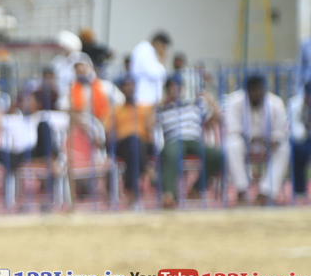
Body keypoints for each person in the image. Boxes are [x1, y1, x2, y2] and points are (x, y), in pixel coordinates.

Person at [156, 76, 223, 209]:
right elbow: (149, 125)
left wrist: (209, 98)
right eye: (170, 87)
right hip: (174, 141)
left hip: (194, 141)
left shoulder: (195, 105)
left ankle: (197, 188)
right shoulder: (163, 109)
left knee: (218, 155)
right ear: (166, 91)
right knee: (171, 154)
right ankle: (169, 195)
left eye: (177, 86)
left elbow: (218, 118)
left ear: (182, 89)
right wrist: (158, 104)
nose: (174, 90)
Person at [225, 75, 289, 206]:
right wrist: (247, 138)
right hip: (245, 142)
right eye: (253, 90)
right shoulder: (235, 101)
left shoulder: (275, 103)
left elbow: (281, 131)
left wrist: (275, 139)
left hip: (267, 143)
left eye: (259, 89)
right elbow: (233, 130)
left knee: (284, 148)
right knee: (232, 144)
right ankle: (241, 190)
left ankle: (267, 192)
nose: (257, 93)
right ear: (247, 91)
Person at [107, 76, 154, 207]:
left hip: (142, 144)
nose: (129, 88)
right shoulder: (116, 110)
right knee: (132, 143)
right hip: (121, 144)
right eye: (125, 86)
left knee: (134, 148)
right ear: (121, 89)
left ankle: (132, 194)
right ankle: (147, 169)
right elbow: (109, 133)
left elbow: (152, 126)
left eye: (131, 85)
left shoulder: (145, 108)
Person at [128, 30, 170, 107]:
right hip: (144, 100)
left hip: (149, 101)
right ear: (159, 44)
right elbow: (156, 74)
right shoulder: (145, 51)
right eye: (164, 47)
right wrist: (162, 58)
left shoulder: (148, 51)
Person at [288, 84, 310, 203]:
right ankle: (299, 190)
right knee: (299, 150)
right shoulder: (294, 104)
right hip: (300, 140)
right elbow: (295, 131)